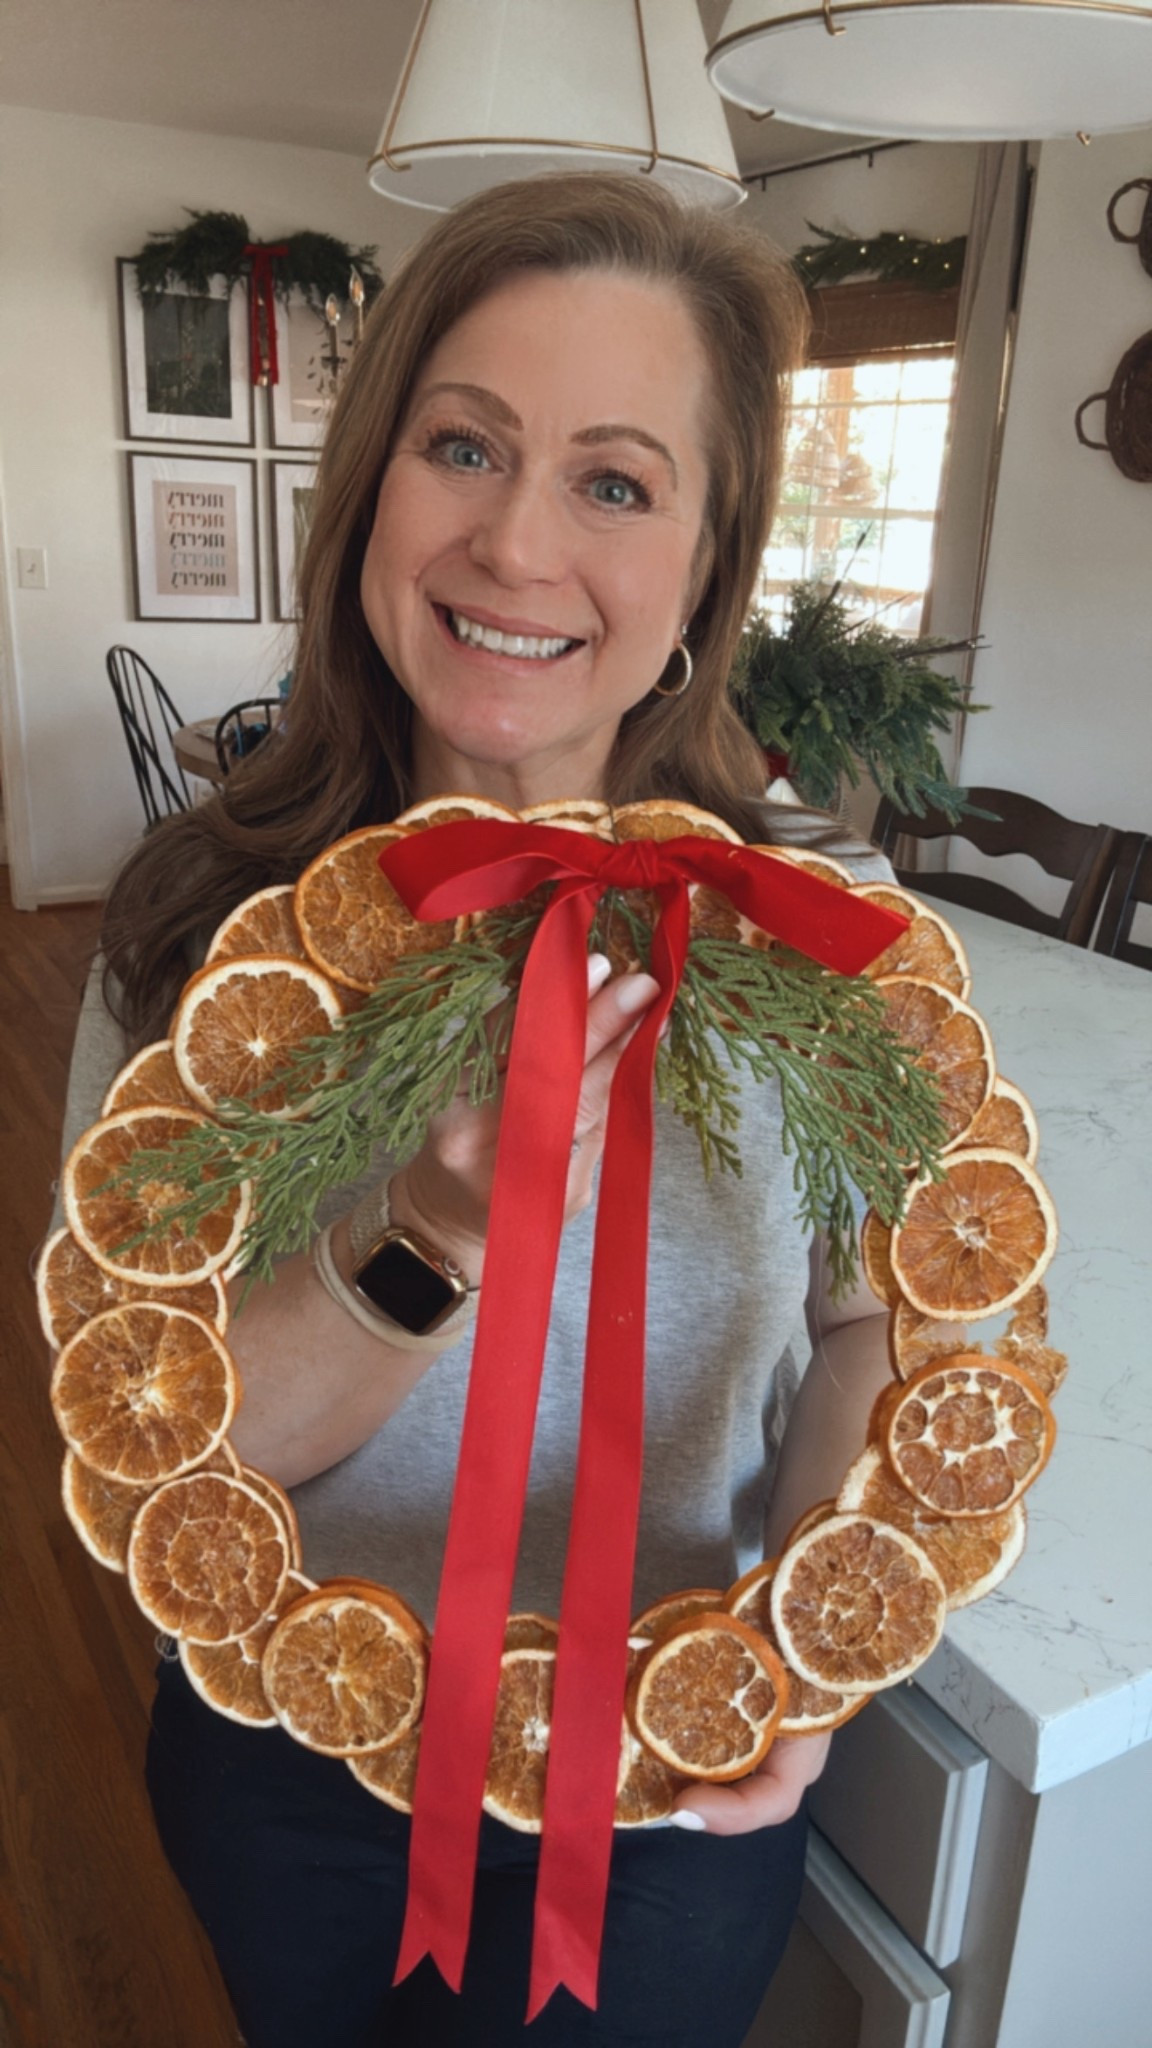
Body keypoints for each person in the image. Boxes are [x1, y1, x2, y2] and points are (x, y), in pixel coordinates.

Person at [59, 173, 897, 2046]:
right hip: (294, 1761)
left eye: (615, 481)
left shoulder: (828, 944)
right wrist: (424, 1239)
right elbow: (169, 1436)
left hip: (677, 1760)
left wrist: (813, 1645)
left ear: (703, 566)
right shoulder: (200, 936)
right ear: (371, 488)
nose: (518, 544)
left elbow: (872, 1325)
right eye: (464, 445)